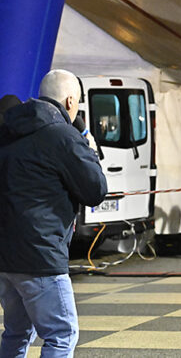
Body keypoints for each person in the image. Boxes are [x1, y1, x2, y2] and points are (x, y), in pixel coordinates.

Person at [0, 69, 108, 357]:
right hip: (41, 255)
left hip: (5, 256)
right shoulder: (63, 136)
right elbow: (95, 190)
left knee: (17, 333)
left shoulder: (7, 130)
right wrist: (90, 151)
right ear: (70, 101)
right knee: (62, 335)